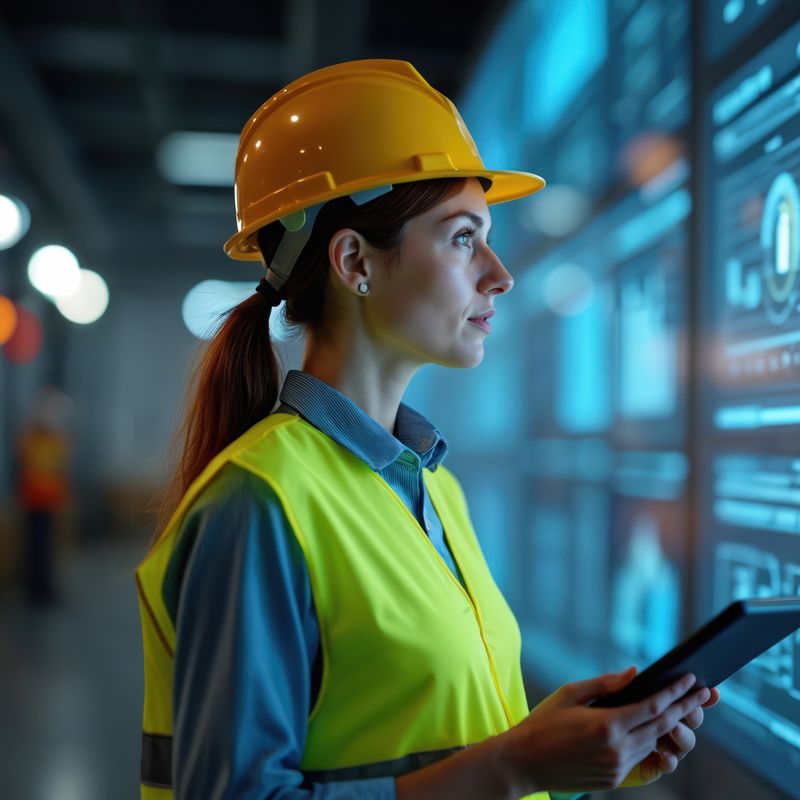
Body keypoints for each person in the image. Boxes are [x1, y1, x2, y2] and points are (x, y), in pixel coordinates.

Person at [134, 59, 719, 800]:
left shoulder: (433, 488)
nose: (500, 274)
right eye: (463, 238)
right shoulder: (259, 507)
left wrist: (567, 755)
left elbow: (429, 744)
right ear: (356, 262)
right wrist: (514, 766)